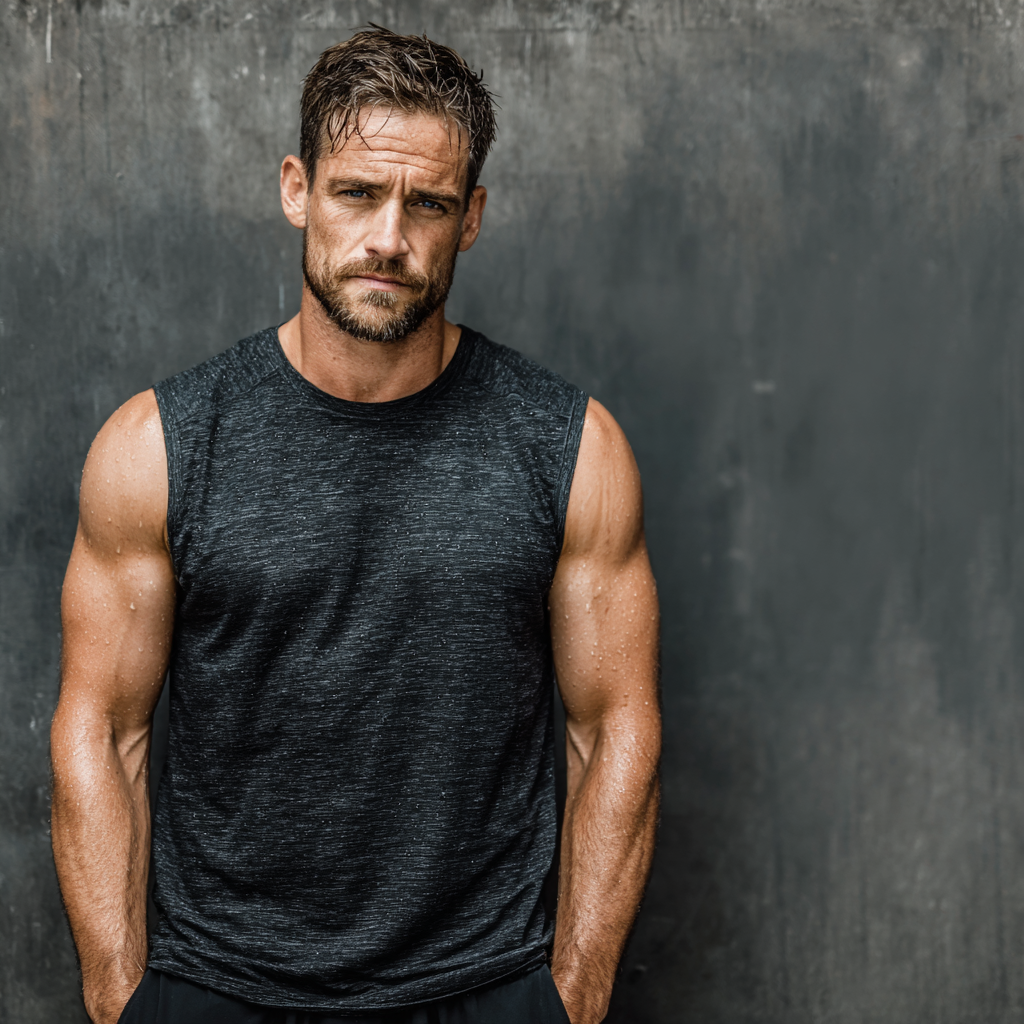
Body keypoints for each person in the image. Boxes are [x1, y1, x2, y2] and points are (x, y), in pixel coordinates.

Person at [50, 26, 661, 1024]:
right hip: (219, 986)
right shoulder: (160, 445)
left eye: (426, 203)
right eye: (356, 193)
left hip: (481, 984)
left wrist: (574, 995)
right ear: (297, 190)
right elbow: (101, 728)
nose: (389, 236)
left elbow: (613, 725)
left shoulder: (569, 446)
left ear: (470, 217)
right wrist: (122, 999)